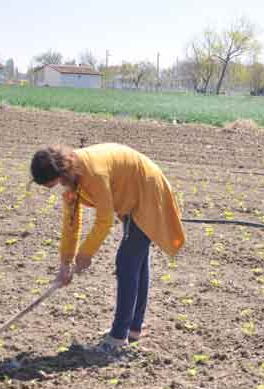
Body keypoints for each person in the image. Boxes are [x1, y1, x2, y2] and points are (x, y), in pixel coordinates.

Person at [30, 143, 185, 352]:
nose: (58, 187)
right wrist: (65, 262)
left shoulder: (92, 172)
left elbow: (104, 220)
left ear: (61, 172)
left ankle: (119, 336)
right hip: (133, 195)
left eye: (55, 182)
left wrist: (85, 254)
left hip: (147, 192)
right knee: (135, 263)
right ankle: (132, 328)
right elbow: (71, 222)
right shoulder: (72, 177)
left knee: (127, 263)